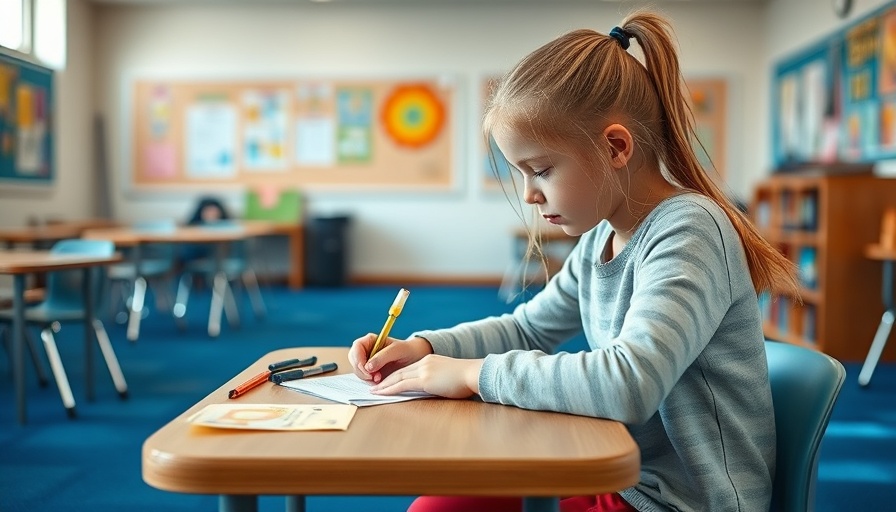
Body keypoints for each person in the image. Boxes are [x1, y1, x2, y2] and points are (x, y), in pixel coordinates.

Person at [348, 9, 799, 512]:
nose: (529, 195)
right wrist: (425, 347)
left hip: (680, 502)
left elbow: (629, 385)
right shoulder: (600, 239)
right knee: (442, 506)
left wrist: (472, 374)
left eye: (540, 170)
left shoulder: (688, 231)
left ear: (615, 148)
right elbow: (526, 329)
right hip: (622, 474)